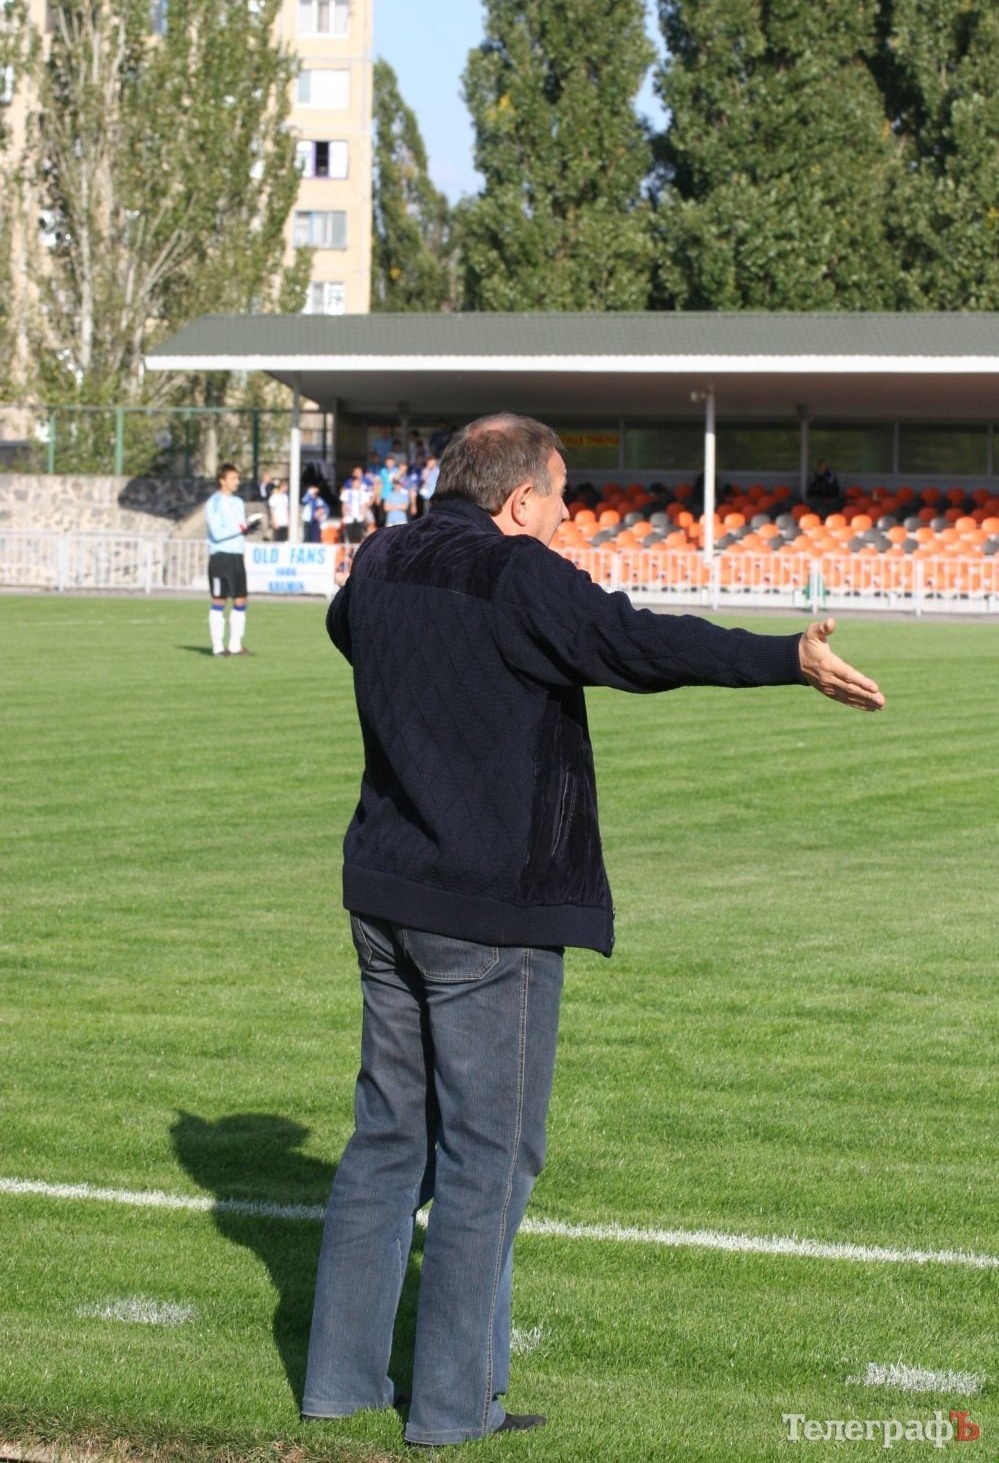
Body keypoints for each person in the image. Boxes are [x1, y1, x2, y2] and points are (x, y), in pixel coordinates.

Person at [302, 414, 885, 1447]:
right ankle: (450, 1408)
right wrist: (784, 658)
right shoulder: (515, 572)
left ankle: (340, 1388)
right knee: (489, 1158)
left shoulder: (382, 554)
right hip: (489, 905)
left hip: (386, 890)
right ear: (517, 499)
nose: (568, 514)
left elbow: (348, 632)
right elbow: (633, 639)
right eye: (560, 494)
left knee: (388, 1140)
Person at [204, 463, 250, 657]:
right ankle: (217, 647)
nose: (236, 482)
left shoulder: (238, 502)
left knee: (241, 599)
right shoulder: (213, 502)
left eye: (237, 478)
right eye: (233, 478)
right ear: (222, 480)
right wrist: (240, 529)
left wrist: (248, 527)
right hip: (220, 557)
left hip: (237, 556)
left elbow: (240, 527)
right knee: (219, 599)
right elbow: (216, 532)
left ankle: (235, 644)